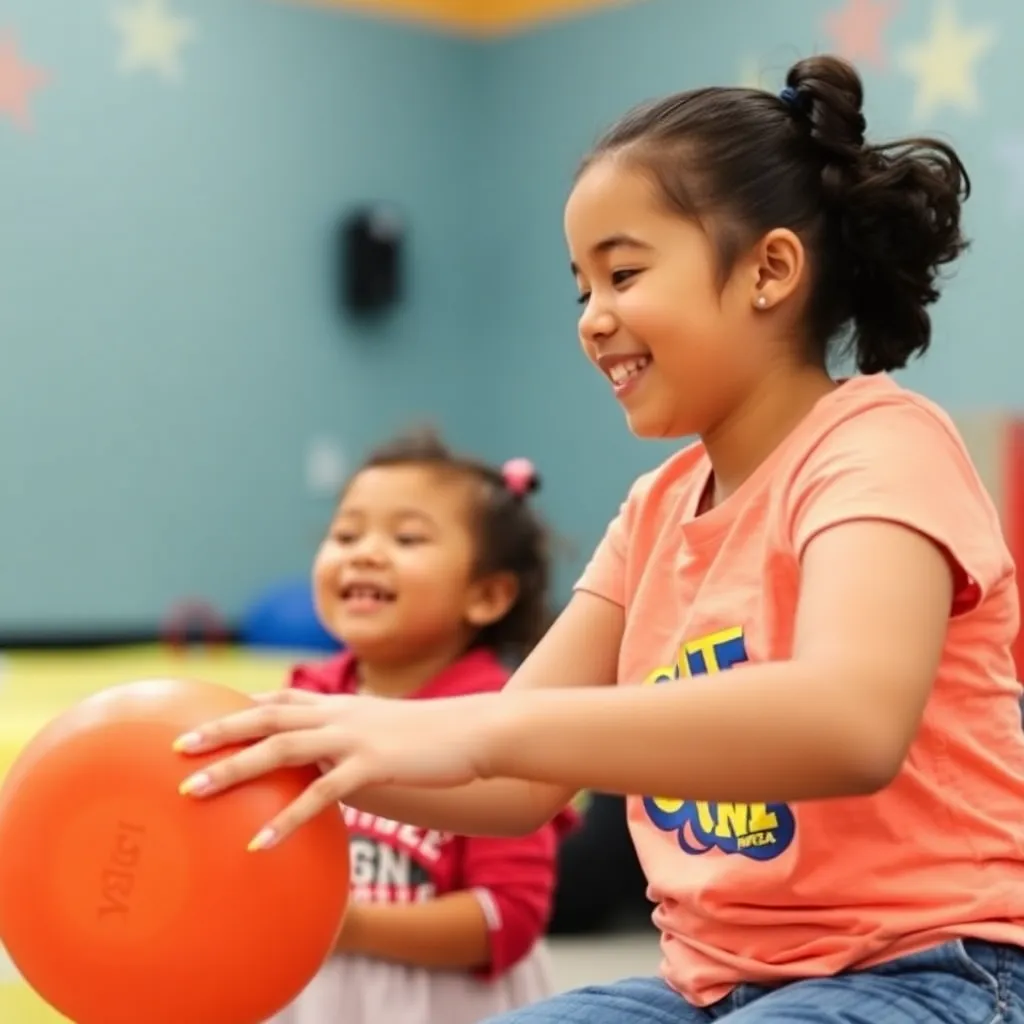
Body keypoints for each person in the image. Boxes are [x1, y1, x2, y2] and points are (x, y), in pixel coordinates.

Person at [175, 54, 1024, 1022]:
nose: (591, 319)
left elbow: (849, 723)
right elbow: (520, 784)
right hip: (708, 982)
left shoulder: (881, 447)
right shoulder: (655, 510)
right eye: (580, 287)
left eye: (622, 273)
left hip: (932, 969)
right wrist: (305, 763)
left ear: (769, 270)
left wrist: (470, 722)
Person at [260, 429, 574, 1024]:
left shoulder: (496, 720)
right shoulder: (305, 698)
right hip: (316, 992)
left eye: (406, 538)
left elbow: (506, 916)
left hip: (440, 1002)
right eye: (346, 534)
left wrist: (350, 926)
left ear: (485, 596)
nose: (365, 553)